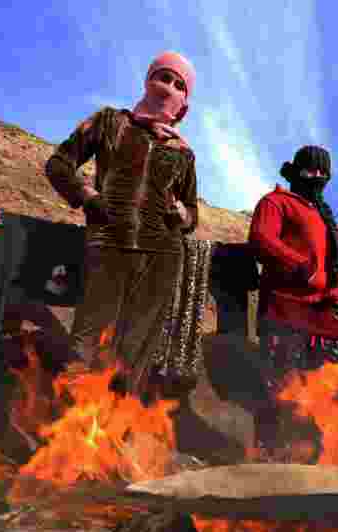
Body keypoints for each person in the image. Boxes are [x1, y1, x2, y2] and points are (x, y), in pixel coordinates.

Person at [44, 51, 199, 398]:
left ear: (184, 104)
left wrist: (183, 215)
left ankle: (114, 435)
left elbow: (192, 214)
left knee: (133, 355)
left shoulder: (183, 152)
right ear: (147, 81)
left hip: (160, 258)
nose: (168, 87)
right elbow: (58, 165)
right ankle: (65, 440)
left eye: (179, 85)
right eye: (163, 76)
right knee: (84, 347)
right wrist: (89, 197)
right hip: (108, 246)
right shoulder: (109, 122)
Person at [247, 146, 338, 454]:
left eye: (324, 173)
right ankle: (270, 457)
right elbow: (260, 239)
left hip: (326, 317)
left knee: (323, 393)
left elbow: (331, 260)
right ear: (295, 171)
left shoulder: (323, 216)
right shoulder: (276, 202)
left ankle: (311, 460)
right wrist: (303, 268)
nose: (317, 177)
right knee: (282, 389)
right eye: (311, 170)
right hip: (286, 310)